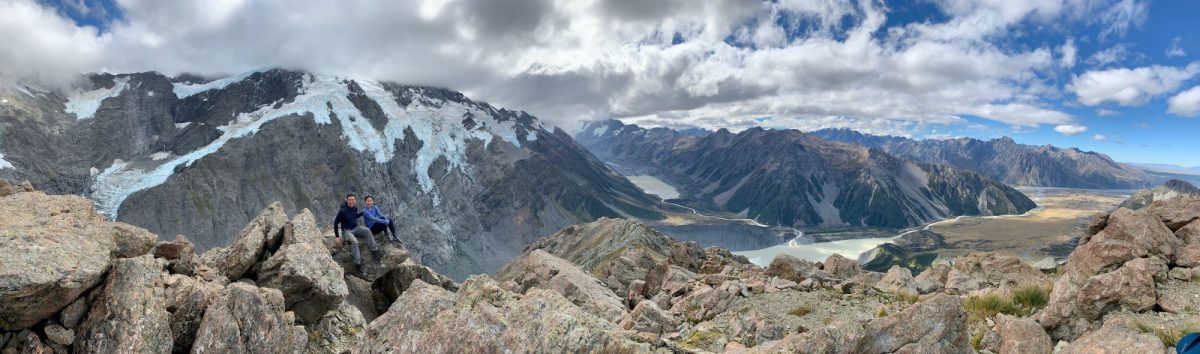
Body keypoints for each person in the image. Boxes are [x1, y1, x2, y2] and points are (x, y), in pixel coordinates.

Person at [332, 193, 381, 273]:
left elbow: (354, 216)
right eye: (350, 200)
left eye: (353, 200)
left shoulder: (355, 208)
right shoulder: (342, 211)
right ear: (347, 200)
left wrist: (363, 213)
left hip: (356, 228)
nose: (351, 201)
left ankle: (374, 249)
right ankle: (357, 263)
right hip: (346, 231)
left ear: (355, 201)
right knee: (354, 242)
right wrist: (337, 236)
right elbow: (335, 223)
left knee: (367, 231)